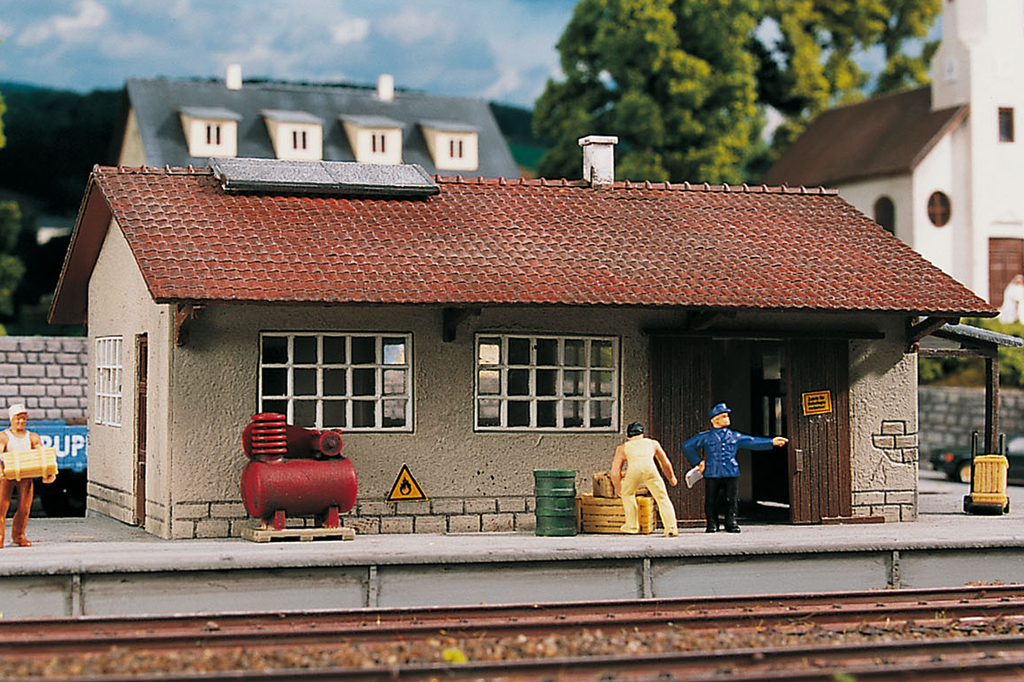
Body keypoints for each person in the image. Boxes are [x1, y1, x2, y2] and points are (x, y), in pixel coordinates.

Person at [682, 402, 788, 534]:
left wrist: (771, 442)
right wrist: (697, 462)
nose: (727, 418)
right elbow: (687, 446)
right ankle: (712, 524)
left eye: (727, 415)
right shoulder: (706, 436)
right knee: (711, 501)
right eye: (724, 416)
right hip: (712, 472)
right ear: (715, 419)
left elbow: (752, 441)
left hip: (730, 472)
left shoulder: (734, 436)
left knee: (731, 500)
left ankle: (731, 523)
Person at [0, 404, 56, 547]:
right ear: (11, 419)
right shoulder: (4, 437)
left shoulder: (32, 437)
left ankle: (19, 535)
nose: (21, 422)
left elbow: (42, 456)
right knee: (2, 506)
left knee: (24, 507)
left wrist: (48, 472)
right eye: (18, 418)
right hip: (7, 475)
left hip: (26, 475)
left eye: (24, 419)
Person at [610, 421, 679, 537]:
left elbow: (615, 472)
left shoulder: (622, 448)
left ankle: (631, 526)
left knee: (627, 495)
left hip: (633, 471)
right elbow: (665, 463)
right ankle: (671, 527)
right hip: (650, 470)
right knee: (662, 498)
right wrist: (671, 477)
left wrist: (618, 488)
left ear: (628, 436)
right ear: (642, 434)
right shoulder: (653, 444)